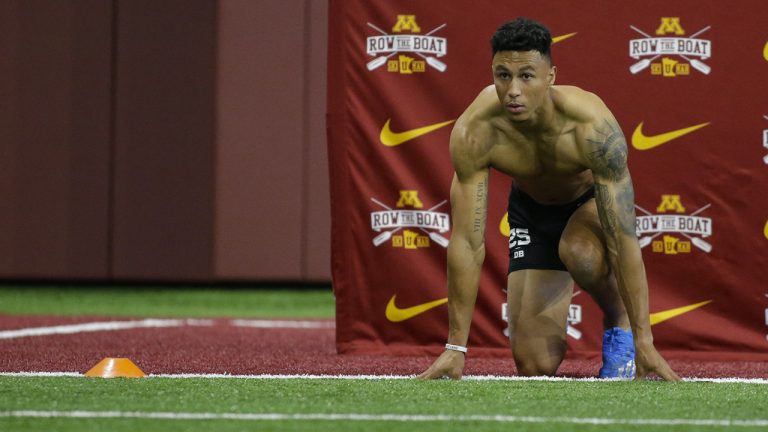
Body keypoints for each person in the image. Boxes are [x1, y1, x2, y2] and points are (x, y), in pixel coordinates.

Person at [417, 17, 680, 381]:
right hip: (531, 213)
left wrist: (644, 341)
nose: (512, 90)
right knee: (534, 365)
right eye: (502, 75)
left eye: (526, 76)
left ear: (550, 77)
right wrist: (455, 347)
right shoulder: (475, 131)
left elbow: (622, 236)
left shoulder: (591, 126)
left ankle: (617, 319)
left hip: (587, 205)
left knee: (579, 251)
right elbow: (467, 241)